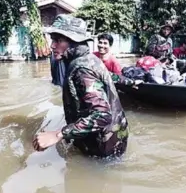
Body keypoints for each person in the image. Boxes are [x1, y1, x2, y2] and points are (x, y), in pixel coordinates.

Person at [33, 15, 140, 158]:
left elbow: (102, 115)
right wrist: (131, 82)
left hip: (104, 145)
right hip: (115, 135)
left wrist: (58, 134)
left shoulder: (82, 69)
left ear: (73, 42)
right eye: (53, 40)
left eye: (58, 40)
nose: (52, 45)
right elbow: (109, 76)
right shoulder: (90, 59)